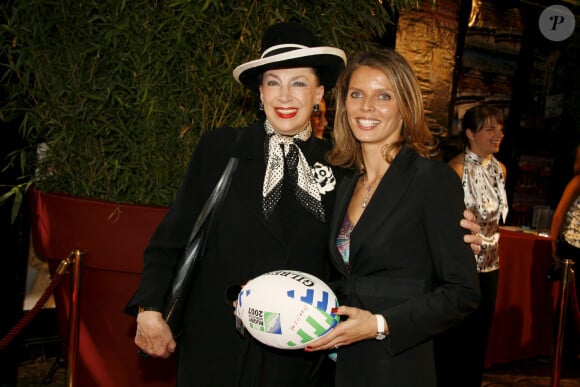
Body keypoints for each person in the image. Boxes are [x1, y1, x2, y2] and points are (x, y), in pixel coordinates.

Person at [126, 23, 482, 387]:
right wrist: (149, 309)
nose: (285, 97)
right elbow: (171, 237)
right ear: (259, 93)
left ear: (319, 95)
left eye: (298, 83)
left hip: (295, 357)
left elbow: (370, 248)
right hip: (215, 343)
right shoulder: (221, 149)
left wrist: (470, 235)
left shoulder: (340, 167)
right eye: (273, 82)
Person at [304, 49, 481, 387]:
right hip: (336, 366)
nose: (367, 106)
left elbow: (462, 293)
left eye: (383, 96)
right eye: (357, 94)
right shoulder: (344, 184)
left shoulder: (432, 181)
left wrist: (380, 324)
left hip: (395, 367)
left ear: (405, 107)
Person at [436, 103, 509, 387]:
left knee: (479, 337)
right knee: (454, 339)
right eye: (490, 128)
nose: (498, 134)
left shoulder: (501, 169)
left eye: (500, 128)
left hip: (491, 266)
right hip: (460, 269)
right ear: (469, 133)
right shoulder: (454, 169)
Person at [550, 144, 580, 370]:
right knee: (571, 306)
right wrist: (553, 244)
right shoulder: (577, 181)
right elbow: (560, 213)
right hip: (573, 246)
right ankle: (566, 358)